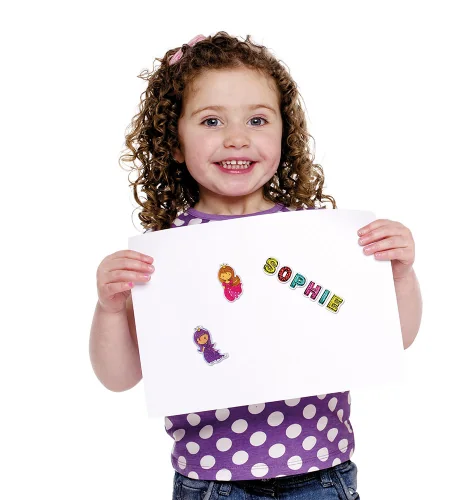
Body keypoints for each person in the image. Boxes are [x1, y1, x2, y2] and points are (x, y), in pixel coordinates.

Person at [89, 31, 423, 500]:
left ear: (284, 134)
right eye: (211, 121)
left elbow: (392, 339)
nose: (236, 138)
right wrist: (108, 308)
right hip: (211, 483)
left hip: (322, 474)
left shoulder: (319, 240)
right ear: (174, 143)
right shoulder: (162, 258)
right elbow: (118, 377)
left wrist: (400, 276)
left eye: (258, 119)